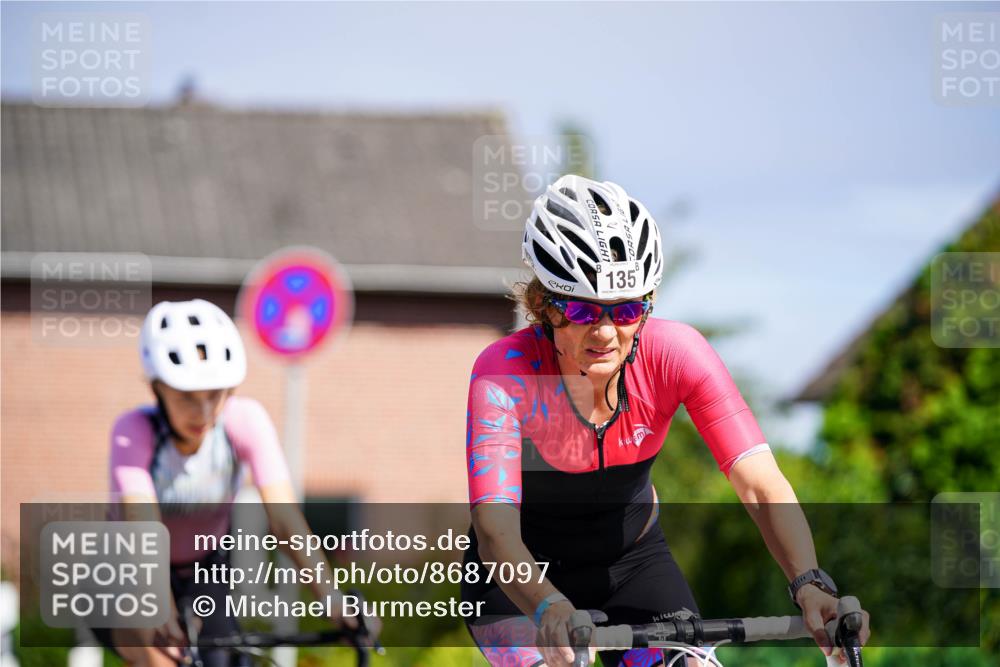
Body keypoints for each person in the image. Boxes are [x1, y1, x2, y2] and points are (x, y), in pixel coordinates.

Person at [462, 175, 869, 667]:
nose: (607, 332)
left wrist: (809, 580)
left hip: (633, 565)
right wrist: (549, 605)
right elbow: (495, 530)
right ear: (545, 306)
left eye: (627, 309)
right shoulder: (505, 373)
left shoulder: (677, 354)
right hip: (519, 579)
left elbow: (760, 485)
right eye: (582, 310)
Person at [104, 299, 368, 666]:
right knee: (163, 658)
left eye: (216, 393)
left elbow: (285, 519)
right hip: (132, 567)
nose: (205, 411)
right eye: (187, 397)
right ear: (156, 388)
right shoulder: (134, 430)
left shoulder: (244, 419)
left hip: (205, 566)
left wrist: (330, 594)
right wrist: (160, 603)